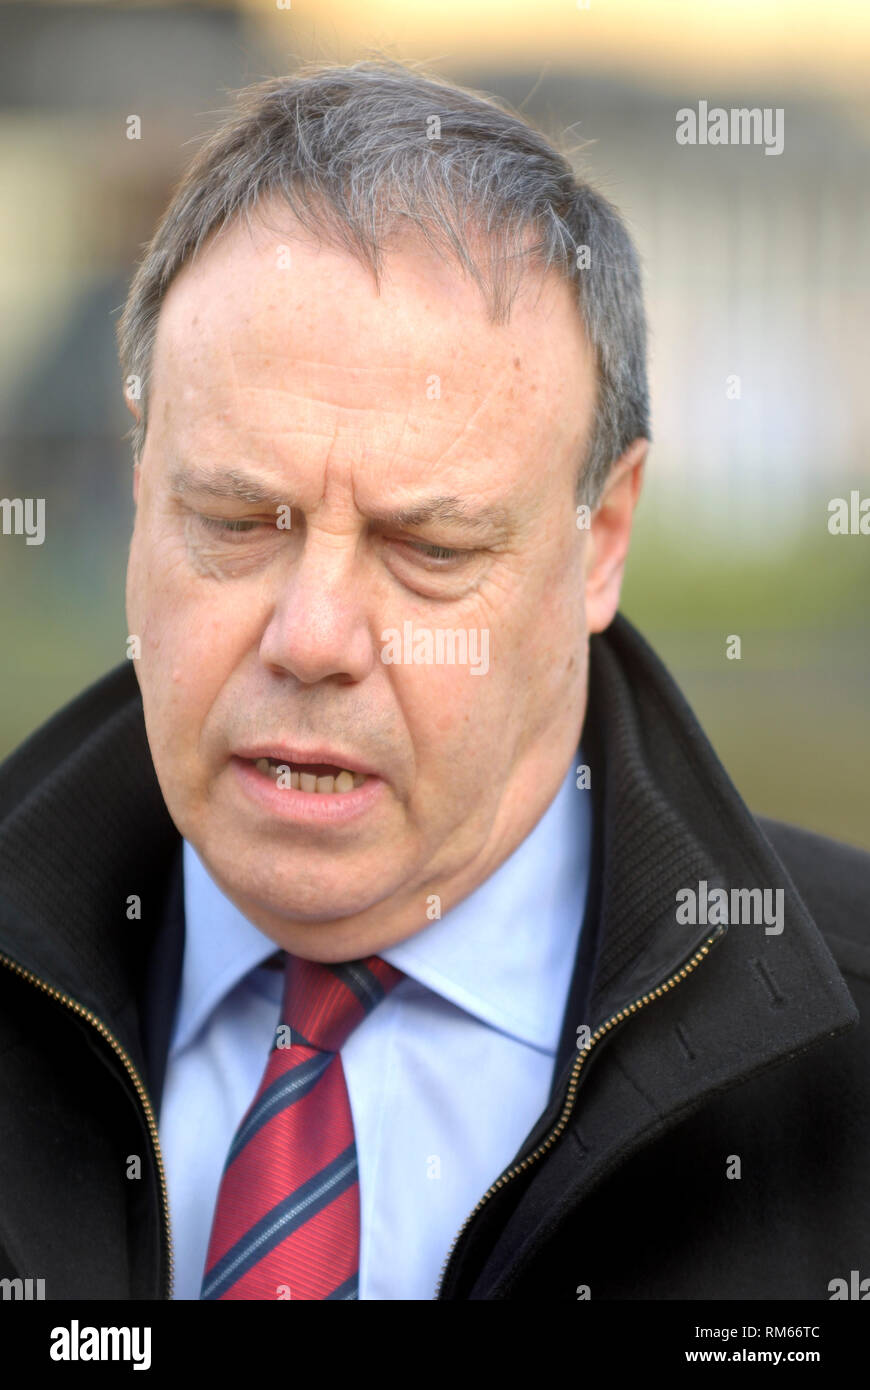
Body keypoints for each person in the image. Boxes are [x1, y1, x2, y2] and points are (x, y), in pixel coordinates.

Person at [0, 59, 867, 1303]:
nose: (313, 636)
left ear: (601, 538)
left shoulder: (837, 1055)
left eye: (431, 549)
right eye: (239, 520)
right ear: (142, 497)